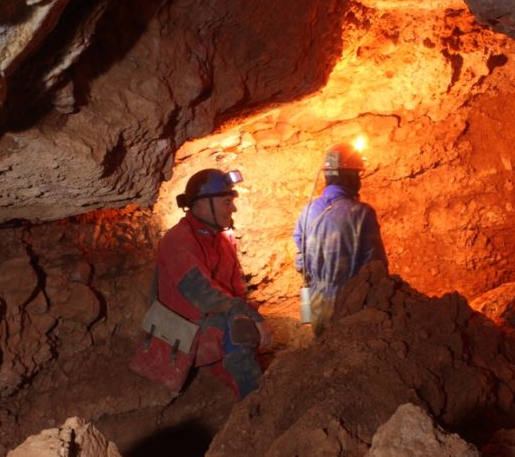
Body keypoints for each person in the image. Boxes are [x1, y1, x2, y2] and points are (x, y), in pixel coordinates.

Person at [154, 168, 272, 398]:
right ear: (202, 204)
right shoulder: (178, 240)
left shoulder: (222, 242)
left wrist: (253, 314)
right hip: (179, 333)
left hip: (207, 327)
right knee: (241, 325)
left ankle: (239, 386)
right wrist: (252, 319)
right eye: (227, 202)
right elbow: (204, 296)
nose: (233, 208)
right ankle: (255, 402)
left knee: (246, 318)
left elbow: (238, 293)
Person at [293, 143, 388, 336]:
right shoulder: (361, 213)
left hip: (318, 302)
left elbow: (301, 261)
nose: (359, 181)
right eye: (357, 175)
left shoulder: (307, 211)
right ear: (349, 176)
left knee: (325, 354)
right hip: (352, 301)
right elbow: (376, 265)